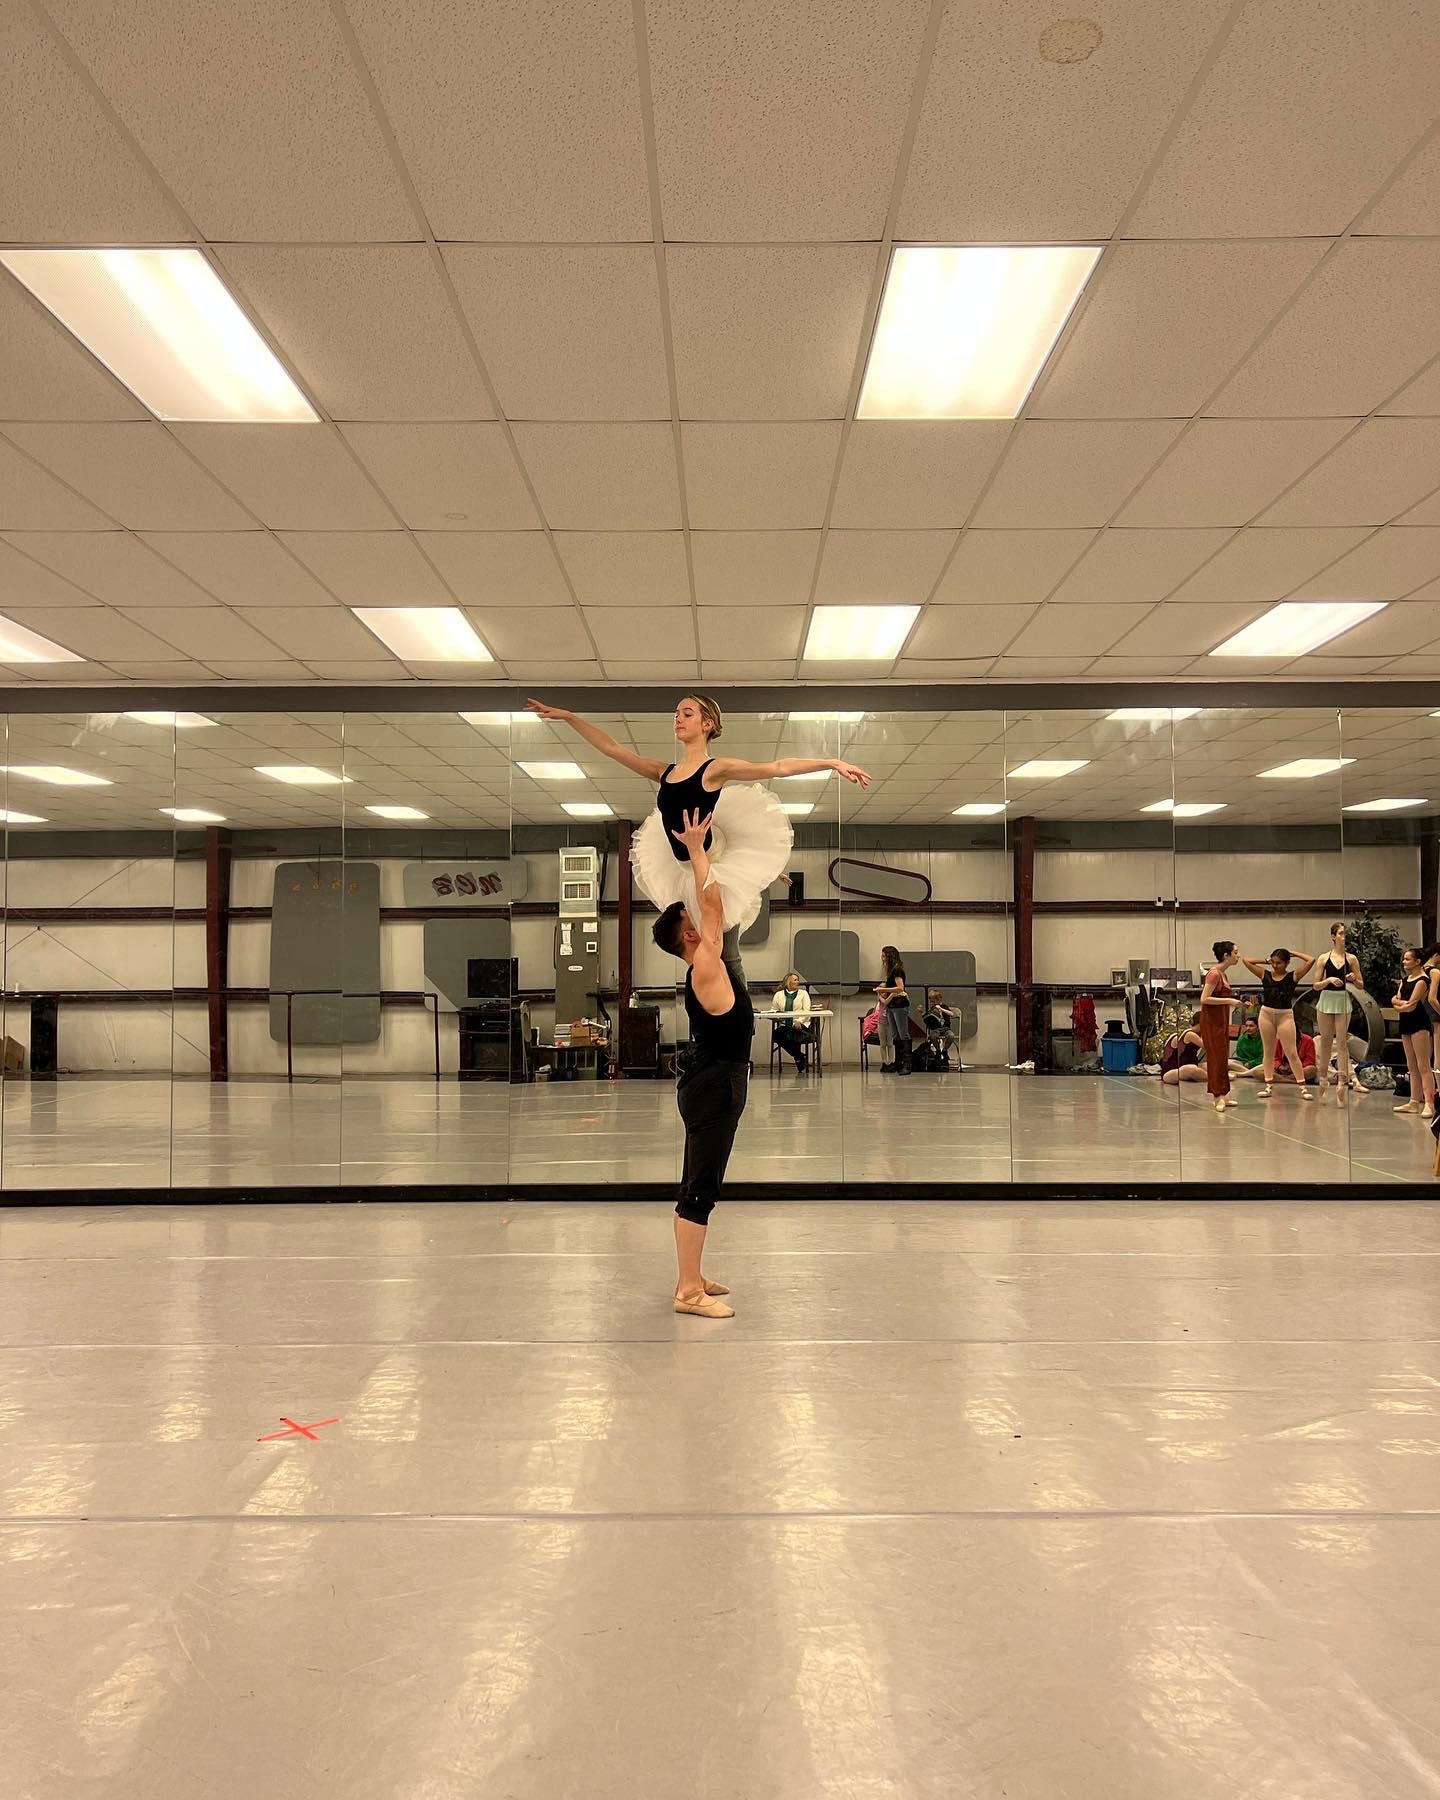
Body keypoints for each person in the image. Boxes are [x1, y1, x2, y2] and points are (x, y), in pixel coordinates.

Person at [525, 695, 871, 943]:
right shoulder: (665, 771)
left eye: (687, 713)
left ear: (707, 724)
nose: (678, 718)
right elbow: (613, 749)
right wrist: (570, 717)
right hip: (679, 864)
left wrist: (831, 763)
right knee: (698, 943)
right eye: (676, 713)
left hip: (708, 863)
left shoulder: (714, 768)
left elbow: (777, 767)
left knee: (723, 946)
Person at [652, 808, 754, 1319]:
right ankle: (687, 1291)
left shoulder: (705, 962)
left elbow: (712, 909)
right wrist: (696, 850)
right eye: (690, 921)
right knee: (701, 1188)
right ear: (689, 937)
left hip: (713, 1078)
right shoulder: (707, 965)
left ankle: (692, 1276)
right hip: (714, 1082)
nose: (700, 918)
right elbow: (712, 903)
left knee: (701, 1180)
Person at [1238, 947, 1318, 1100]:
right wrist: (1266, 961)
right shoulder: (1265, 974)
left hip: (1285, 1015)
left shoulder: (1293, 976)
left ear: (1287, 963)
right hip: (1266, 1013)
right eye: (1273, 962)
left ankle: (1302, 1086)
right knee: (1269, 1051)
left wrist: (1295, 954)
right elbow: (1246, 961)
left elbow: (1311, 960)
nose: (1275, 966)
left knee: (1291, 1052)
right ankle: (1268, 1086)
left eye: (1279, 963)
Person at [1312, 922, 1365, 1104]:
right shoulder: (1323, 958)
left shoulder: (1351, 959)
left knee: (1342, 1041)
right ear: (1334, 936)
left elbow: (1361, 984)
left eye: (1345, 934)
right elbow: (1315, 984)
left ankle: (1343, 1079)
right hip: (1326, 999)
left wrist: (1353, 979)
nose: (1344, 937)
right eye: (1341, 933)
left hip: (1342, 999)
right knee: (1326, 1040)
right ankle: (1324, 1077)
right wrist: (1328, 980)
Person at [1392, 947, 1436, 1120]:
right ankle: (1413, 1101)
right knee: (1411, 1066)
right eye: (1403, 959)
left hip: (1419, 1022)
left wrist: (1400, 1005)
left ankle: (1429, 1103)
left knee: (1423, 1065)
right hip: (1405, 1022)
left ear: (1417, 961)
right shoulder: (1405, 980)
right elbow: (1395, 1000)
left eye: (1407, 959)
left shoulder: (1423, 980)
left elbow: (1412, 1004)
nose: (1404, 962)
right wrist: (1400, 1004)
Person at [1199, 941, 1242, 1113]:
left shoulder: (1223, 974)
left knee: (1222, 1057)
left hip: (1222, 1019)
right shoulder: (1214, 974)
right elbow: (1204, 998)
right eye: (1236, 952)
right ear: (1226, 955)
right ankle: (1217, 1096)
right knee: (1215, 1058)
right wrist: (1230, 1000)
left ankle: (1224, 1093)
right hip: (1212, 1021)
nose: (1238, 956)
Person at [875, 945, 912, 1074]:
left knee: (903, 1034)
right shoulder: (891, 971)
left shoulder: (897, 970)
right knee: (895, 1035)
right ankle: (898, 1062)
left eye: (884, 955)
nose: (882, 958)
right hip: (892, 1005)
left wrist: (883, 990)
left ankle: (907, 1064)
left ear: (890, 956)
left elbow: (900, 988)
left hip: (900, 1005)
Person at [769, 971, 815, 1071]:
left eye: (798, 980)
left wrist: (800, 1021)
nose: (798, 982)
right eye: (795, 980)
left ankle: (798, 1058)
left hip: (799, 1024)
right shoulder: (779, 995)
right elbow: (774, 1009)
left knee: (794, 1033)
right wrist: (775, 1016)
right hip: (785, 1024)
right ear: (788, 982)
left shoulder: (803, 994)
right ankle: (798, 1056)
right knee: (776, 1034)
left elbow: (807, 1010)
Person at [1160, 1016, 1205, 1085]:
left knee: (1224, 1063)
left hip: (1187, 1066)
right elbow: (1207, 1046)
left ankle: (1215, 1075)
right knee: (1190, 1069)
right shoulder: (1190, 1034)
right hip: (1171, 1072)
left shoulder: (1192, 1034)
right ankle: (1216, 1078)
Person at [923, 989, 960, 1066]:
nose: (932, 1003)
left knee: (951, 1036)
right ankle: (938, 1051)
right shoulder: (932, 1009)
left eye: (933, 1001)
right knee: (933, 1036)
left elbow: (952, 1014)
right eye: (931, 1001)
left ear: (938, 1000)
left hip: (946, 1028)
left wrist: (941, 1009)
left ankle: (945, 1050)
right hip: (936, 1029)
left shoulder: (944, 1006)